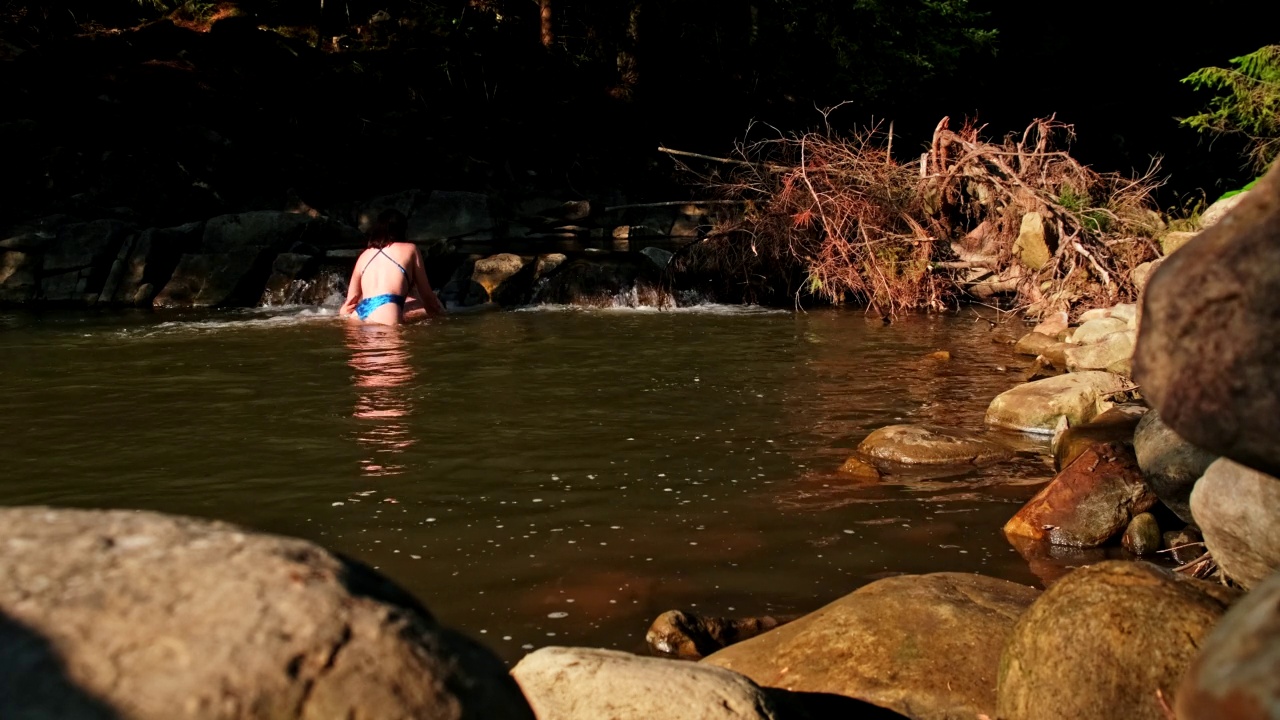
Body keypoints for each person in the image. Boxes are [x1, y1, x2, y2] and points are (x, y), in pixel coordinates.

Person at [340, 208, 445, 325]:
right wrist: (439, 316)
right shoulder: (410, 249)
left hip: (359, 313)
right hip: (387, 310)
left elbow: (349, 304)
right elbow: (427, 296)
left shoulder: (364, 255)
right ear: (403, 230)